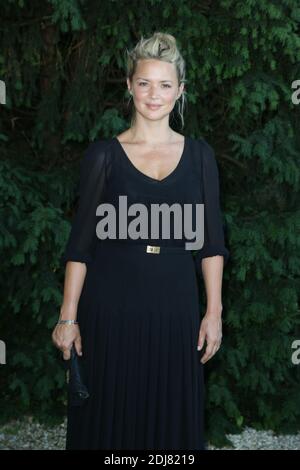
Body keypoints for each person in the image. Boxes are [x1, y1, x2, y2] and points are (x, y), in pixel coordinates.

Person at [52, 31, 230, 450]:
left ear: (180, 91)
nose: (155, 94)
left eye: (165, 85)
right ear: (130, 86)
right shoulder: (103, 156)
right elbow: (81, 246)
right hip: (109, 307)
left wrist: (214, 312)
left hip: (175, 308)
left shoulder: (201, 156)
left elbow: (211, 244)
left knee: (170, 419)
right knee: (107, 416)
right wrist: (68, 316)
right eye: (145, 83)